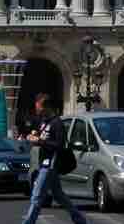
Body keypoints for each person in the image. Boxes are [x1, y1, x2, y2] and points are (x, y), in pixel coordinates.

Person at [20, 94, 87, 224]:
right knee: (59, 196)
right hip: (44, 162)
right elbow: (42, 137)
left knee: (36, 196)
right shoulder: (43, 122)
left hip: (51, 164)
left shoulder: (57, 123)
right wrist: (34, 136)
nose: (37, 111)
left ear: (46, 107)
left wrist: (39, 141)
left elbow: (59, 145)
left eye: (39, 108)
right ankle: (79, 219)